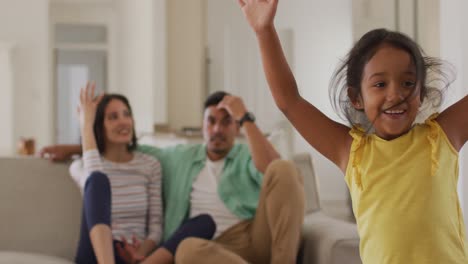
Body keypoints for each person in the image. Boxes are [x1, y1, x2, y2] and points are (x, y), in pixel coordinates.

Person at [238, 0, 468, 263]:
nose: (395, 94)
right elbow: (289, 101)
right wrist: (264, 30)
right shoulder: (352, 152)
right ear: (356, 97)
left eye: (408, 82)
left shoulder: (441, 136)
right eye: (380, 84)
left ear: (422, 93)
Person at [41, 90, 305, 264]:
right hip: (207, 252)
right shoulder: (179, 156)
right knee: (187, 249)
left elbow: (275, 170)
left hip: (251, 237)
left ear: (236, 126)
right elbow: (122, 147)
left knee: (284, 168)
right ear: (201, 125)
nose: (217, 129)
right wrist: (72, 147)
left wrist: (246, 118)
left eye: (226, 122)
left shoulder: (247, 152)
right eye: (211, 121)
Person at [71, 82, 216, 264]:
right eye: (113, 117)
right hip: (97, 254)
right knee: (98, 179)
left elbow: (156, 226)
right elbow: (94, 180)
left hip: (136, 254)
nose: (123, 121)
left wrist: (140, 252)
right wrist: (86, 126)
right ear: (98, 127)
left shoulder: (150, 165)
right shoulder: (81, 166)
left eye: (127, 114)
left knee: (205, 222)